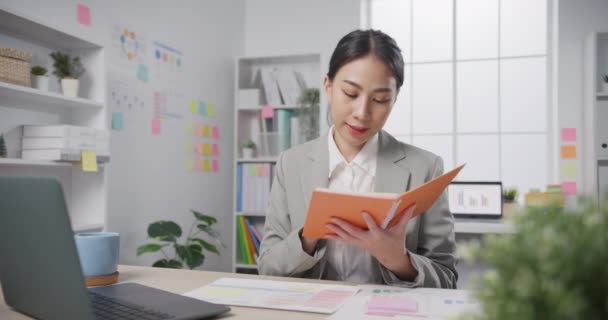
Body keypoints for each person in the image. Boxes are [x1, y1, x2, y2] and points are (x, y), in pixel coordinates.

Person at [257, 29, 457, 289]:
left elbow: (447, 279)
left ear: (394, 99)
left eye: (380, 99)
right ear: (328, 87)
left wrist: (400, 260)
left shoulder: (426, 169)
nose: (362, 113)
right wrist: (307, 238)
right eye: (351, 94)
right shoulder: (291, 164)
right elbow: (267, 268)